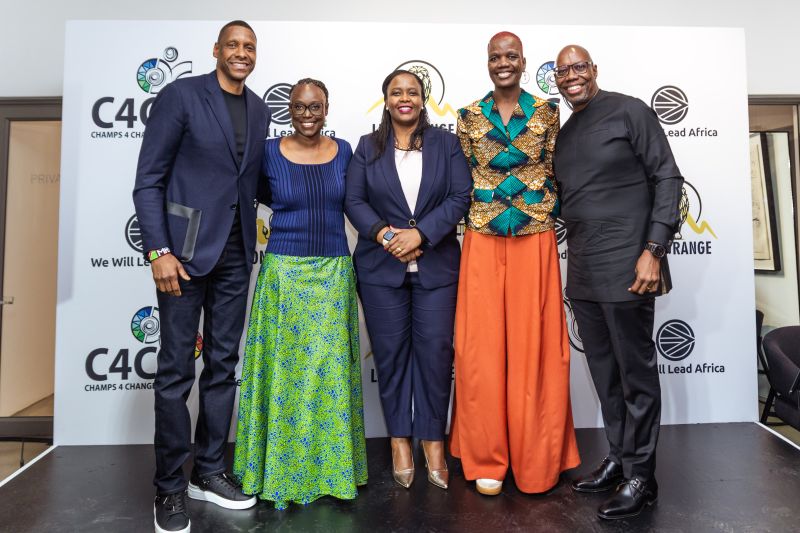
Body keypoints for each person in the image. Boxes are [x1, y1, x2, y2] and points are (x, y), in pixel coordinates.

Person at [133, 20, 269, 533]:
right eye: (233, 45)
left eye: (249, 47)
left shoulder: (259, 108)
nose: (241, 53)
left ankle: (208, 471)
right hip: (183, 255)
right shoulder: (181, 95)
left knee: (222, 366)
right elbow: (148, 180)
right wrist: (158, 250)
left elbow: (251, 180)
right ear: (216, 50)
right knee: (174, 373)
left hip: (237, 254)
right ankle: (168, 488)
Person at [552, 44, 684, 520]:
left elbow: (668, 178)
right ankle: (619, 459)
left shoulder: (631, 111)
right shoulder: (564, 135)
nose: (572, 76)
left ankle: (642, 478)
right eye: (564, 71)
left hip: (631, 268)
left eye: (579, 67)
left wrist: (654, 251)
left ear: (594, 70)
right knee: (606, 378)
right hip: (583, 273)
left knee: (637, 378)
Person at [449, 31, 581, 496]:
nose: (503, 63)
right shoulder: (466, 117)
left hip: (535, 239)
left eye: (511, 56)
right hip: (483, 238)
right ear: (487, 63)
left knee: (535, 348)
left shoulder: (548, 112)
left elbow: (557, 171)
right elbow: (463, 178)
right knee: (480, 350)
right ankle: (487, 456)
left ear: (524, 62)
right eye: (494, 57)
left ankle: (536, 456)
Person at [233, 78, 368, 509]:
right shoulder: (269, 154)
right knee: (285, 376)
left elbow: (357, 202)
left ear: (326, 109)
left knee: (328, 377)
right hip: (284, 275)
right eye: (299, 107)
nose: (307, 115)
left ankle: (331, 470)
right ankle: (281, 470)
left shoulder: (344, 151)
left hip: (332, 272)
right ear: (288, 109)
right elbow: (254, 197)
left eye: (316, 107)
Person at [345, 70, 471, 490]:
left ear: (423, 100)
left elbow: (460, 196)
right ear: (385, 100)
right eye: (396, 92)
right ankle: (400, 440)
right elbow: (354, 200)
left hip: (437, 270)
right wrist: (387, 236)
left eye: (412, 92)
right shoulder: (367, 148)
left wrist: (421, 234)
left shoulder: (447, 144)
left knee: (435, 357)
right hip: (382, 271)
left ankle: (433, 441)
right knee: (391, 356)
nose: (405, 99)